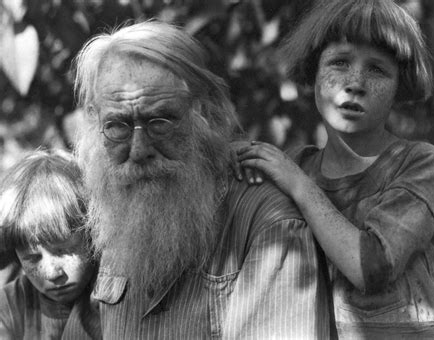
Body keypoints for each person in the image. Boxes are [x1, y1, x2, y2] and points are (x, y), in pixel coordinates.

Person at [72, 20, 328, 339]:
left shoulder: (267, 222)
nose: (138, 150)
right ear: (96, 122)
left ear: (204, 114)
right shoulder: (114, 220)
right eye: (118, 126)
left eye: (160, 122)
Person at [237, 0, 434, 338]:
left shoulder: (419, 163)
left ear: (401, 85)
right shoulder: (295, 165)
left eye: (377, 69)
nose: (355, 82)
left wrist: (299, 186)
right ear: (313, 72)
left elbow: (371, 266)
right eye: (339, 62)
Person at [0, 149, 100, 340]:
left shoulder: (115, 296)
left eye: (64, 251)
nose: (52, 274)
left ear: (92, 236)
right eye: (32, 258)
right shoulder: (10, 307)